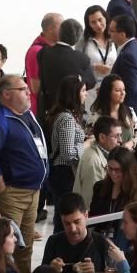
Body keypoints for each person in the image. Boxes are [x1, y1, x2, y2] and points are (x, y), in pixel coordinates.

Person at [0, 75, 49, 273]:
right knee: (5, 247)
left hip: (33, 192)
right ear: (6, 94)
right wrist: (1, 187)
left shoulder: (26, 114)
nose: (29, 92)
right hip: (13, 194)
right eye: (22, 89)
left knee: (25, 245)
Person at [36, 19, 96, 118]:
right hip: (72, 109)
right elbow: (91, 82)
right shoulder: (82, 58)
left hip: (47, 108)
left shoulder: (43, 53)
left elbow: (40, 77)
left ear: (60, 32)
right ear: (78, 38)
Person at [48, 75, 88, 206]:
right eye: (83, 91)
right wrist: (86, 145)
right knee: (65, 212)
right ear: (73, 94)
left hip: (63, 172)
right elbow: (67, 153)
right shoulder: (67, 119)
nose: (86, 94)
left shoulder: (68, 115)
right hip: (64, 173)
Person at [108, 13, 137, 129]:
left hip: (132, 115)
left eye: (112, 31)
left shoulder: (128, 54)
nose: (109, 34)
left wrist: (125, 117)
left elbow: (131, 89)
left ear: (122, 34)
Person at [75, 116, 121, 209]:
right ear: (102, 137)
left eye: (120, 135)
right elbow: (92, 201)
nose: (120, 140)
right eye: (116, 136)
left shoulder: (104, 154)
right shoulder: (93, 162)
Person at [25, 13, 63, 116]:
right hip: (42, 112)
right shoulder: (36, 51)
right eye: (62, 25)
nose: (65, 29)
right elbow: (36, 88)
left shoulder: (55, 48)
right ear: (51, 29)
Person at [89, 146, 137, 224]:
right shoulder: (99, 187)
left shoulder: (136, 191)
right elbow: (92, 215)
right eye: (110, 168)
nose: (113, 173)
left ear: (127, 170)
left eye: (117, 170)